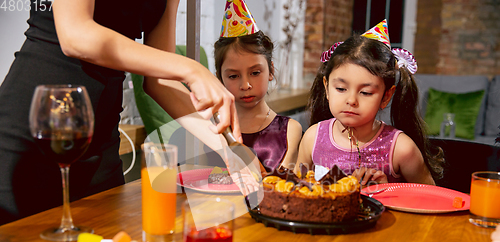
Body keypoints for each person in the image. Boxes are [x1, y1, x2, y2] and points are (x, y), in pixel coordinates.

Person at [0, 0, 253, 224]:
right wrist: (192, 69)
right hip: (36, 131)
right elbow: (75, 34)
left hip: (100, 141)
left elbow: (159, 82)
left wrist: (226, 149)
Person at [295, 20, 443, 186]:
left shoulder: (401, 149)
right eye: (341, 89)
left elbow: (429, 200)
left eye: (365, 92)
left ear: (386, 96)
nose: (351, 100)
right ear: (327, 87)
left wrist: (388, 191)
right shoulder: (312, 139)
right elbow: (294, 192)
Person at [212, 0, 302, 173]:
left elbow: (283, 188)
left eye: (255, 73)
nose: (245, 85)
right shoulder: (214, 130)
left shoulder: (289, 130)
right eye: (233, 76)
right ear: (219, 78)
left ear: (270, 70)